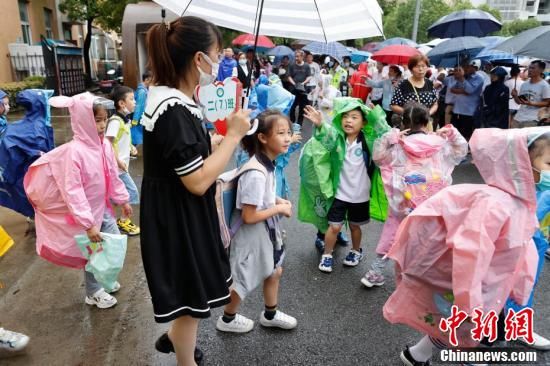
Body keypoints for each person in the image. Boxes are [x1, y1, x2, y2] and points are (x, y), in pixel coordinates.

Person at [139, 16, 250, 366]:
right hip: (177, 216)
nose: (219, 63)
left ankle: (175, 341)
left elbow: (180, 158)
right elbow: (197, 180)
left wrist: (213, 141)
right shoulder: (172, 108)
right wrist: (232, 137)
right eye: (217, 54)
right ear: (199, 59)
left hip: (177, 210)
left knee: (191, 294)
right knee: (190, 302)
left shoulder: (174, 100)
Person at [384, 128, 546, 365]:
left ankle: (416, 355)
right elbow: (471, 253)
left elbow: (524, 249)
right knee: (469, 328)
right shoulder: (495, 204)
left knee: (458, 325)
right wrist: (470, 301)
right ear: (521, 163)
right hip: (474, 289)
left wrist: (518, 287)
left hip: (492, 285)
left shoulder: (522, 204)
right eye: (549, 162)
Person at [23, 93, 131, 309]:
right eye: (96, 120)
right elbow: (72, 190)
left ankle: (105, 280)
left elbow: (112, 174)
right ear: (82, 121)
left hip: (103, 208)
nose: (101, 125)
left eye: (103, 119)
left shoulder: (104, 146)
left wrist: (122, 199)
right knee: (94, 253)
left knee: (112, 245)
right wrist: (87, 223)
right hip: (88, 215)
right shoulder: (75, 152)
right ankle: (93, 292)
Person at [360, 103, 467, 288]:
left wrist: (390, 137)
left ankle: (375, 272)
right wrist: (451, 131)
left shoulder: (399, 145)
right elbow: (461, 151)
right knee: (430, 238)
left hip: (404, 202)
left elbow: (378, 158)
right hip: (433, 202)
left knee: (394, 233)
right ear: (428, 122)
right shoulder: (440, 145)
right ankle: (423, 279)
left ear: (404, 123)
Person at [216, 110, 297, 333]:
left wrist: (278, 200)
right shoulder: (256, 172)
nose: (288, 137)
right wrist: (279, 208)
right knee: (241, 281)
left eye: (289, 132)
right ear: (262, 137)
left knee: (274, 270)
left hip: (263, 233)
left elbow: (263, 198)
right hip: (249, 237)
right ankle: (227, 319)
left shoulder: (266, 164)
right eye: (281, 133)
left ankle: (270, 313)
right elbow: (249, 216)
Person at [303, 98, 390, 273]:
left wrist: (376, 117)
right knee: (334, 226)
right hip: (339, 194)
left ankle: (356, 251)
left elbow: (385, 135)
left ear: (364, 122)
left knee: (355, 226)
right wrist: (320, 124)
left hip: (361, 195)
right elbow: (326, 137)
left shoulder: (369, 141)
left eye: (354, 117)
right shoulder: (338, 138)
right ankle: (327, 254)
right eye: (345, 116)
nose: (348, 120)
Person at [506, 130, 550, 350]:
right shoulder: (520, 192)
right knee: (510, 287)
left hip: (538, 248)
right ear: (527, 162)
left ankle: (517, 324)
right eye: (549, 163)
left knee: (527, 286)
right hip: (516, 251)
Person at [106, 86, 141, 236]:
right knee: (132, 192)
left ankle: (112, 219)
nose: (135, 102)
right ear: (121, 103)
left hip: (120, 168)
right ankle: (123, 220)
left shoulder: (124, 120)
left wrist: (131, 146)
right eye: (132, 99)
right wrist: (117, 160)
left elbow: (121, 139)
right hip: (117, 168)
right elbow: (108, 142)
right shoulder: (115, 121)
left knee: (117, 194)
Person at [390, 54, 438, 120]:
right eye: (417, 66)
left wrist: (428, 113)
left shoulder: (429, 83)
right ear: (411, 69)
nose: (421, 69)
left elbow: (435, 104)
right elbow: (393, 105)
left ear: (427, 67)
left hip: (426, 123)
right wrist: (411, 113)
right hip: (409, 123)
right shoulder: (403, 85)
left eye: (423, 66)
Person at [448, 60, 484, 141]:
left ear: (475, 68)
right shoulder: (462, 77)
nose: (466, 69)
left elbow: (470, 90)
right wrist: (463, 90)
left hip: (469, 112)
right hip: (457, 110)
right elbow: (453, 89)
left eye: (469, 67)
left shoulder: (479, 79)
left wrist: (462, 79)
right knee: (455, 132)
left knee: (467, 134)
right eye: (465, 67)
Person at [511, 60, 550, 128]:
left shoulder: (545, 85)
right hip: (518, 118)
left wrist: (531, 103)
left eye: (533, 68)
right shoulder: (524, 84)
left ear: (541, 70)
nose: (529, 70)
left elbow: (547, 103)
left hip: (532, 120)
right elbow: (519, 102)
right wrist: (515, 96)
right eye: (529, 67)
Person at [288, 50, 312, 126]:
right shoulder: (291, 65)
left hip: (303, 89)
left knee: (302, 108)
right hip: (293, 89)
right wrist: (294, 83)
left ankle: (299, 124)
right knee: (292, 107)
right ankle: (292, 121)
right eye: (295, 56)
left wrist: (303, 83)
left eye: (298, 56)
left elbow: (309, 76)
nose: (296, 58)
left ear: (302, 57)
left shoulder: (306, 66)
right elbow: (289, 76)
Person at [131, 70, 152, 147]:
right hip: (139, 119)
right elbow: (139, 107)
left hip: (140, 118)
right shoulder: (142, 92)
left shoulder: (143, 90)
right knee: (137, 138)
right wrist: (135, 120)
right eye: (151, 80)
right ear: (146, 79)